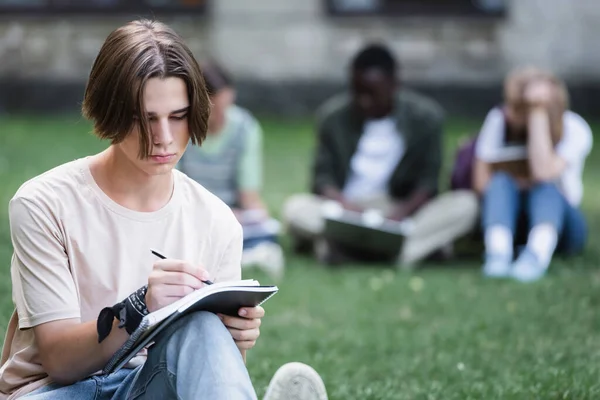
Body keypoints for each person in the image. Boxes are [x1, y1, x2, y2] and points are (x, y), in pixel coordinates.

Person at [0, 19, 327, 400]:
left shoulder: (217, 221)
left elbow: (205, 376)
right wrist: (140, 307)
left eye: (178, 116)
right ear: (111, 111)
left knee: (203, 327)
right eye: (144, 118)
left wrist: (233, 338)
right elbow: (61, 362)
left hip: (148, 385)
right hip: (53, 392)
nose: (164, 139)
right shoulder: (42, 203)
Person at [282, 43, 478, 267]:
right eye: (358, 92)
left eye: (373, 94)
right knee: (295, 209)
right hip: (348, 210)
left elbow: (428, 183)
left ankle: (349, 250)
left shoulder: (425, 118)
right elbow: (321, 179)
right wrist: (345, 206)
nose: (364, 100)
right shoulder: (333, 118)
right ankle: (408, 251)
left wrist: (398, 216)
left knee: (467, 204)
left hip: (401, 210)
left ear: (394, 86)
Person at [473, 66, 592, 282]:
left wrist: (538, 114)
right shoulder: (499, 121)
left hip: (563, 226)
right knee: (499, 182)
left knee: (546, 188)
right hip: (515, 218)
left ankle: (537, 254)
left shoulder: (574, 128)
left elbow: (543, 172)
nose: (509, 111)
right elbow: (481, 183)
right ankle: (498, 253)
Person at [177, 61, 284, 281]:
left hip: (231, 214)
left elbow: (249, 195)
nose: (221, 115)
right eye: (214, 109)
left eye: (226, 106)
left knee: (265, 231)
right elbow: (173, 190)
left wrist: (256, 216)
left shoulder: (244, 127)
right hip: (190, 212)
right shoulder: (179, 126)